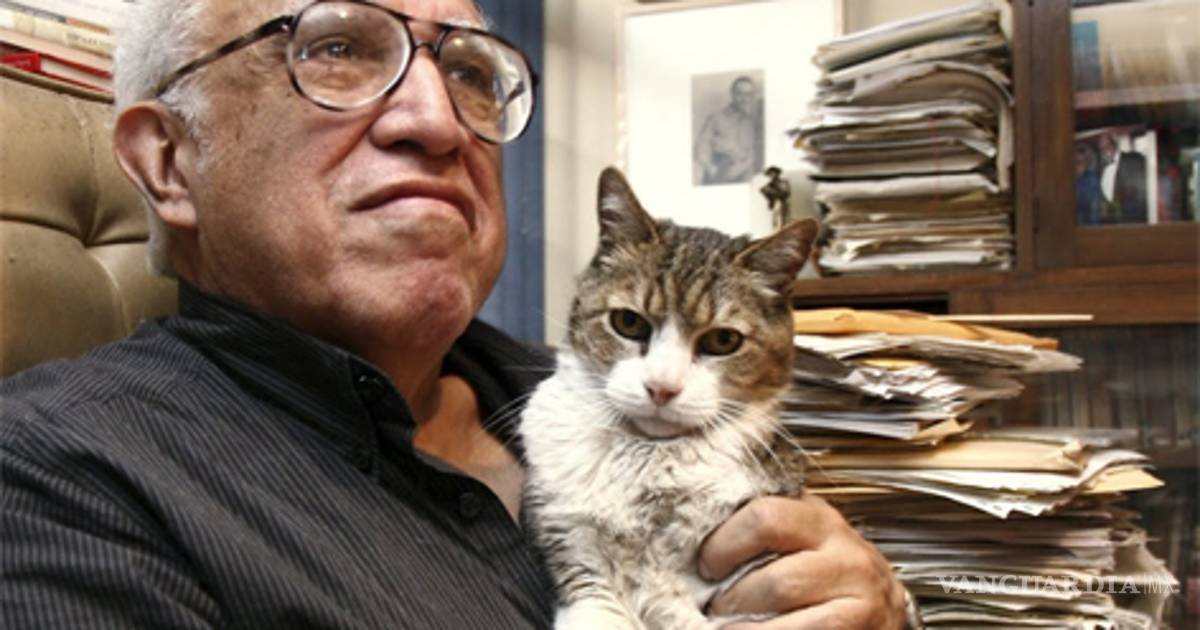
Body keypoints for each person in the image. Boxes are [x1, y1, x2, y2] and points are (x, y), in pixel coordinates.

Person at [0, 1, 915, 628]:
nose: (439, 120)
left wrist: (880, 605)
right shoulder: (56, 478)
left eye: (472, 70)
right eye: (337, 48)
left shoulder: (576, 387)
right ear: (167, 161)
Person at [694, 75, 765, 185]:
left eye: (748, 94)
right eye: (740, 93)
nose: (744, 99)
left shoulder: (753, 122)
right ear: (732, 94)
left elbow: (756, 154)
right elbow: (700, 148)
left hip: (746, 180)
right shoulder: (716, 117)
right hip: (718, 178)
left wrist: (743, 166)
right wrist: (711, 169)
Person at [1097, 131, 1148, 224]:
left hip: (1135, 220)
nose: (1104, 151)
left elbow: (1143, 191)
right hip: (1115, 221)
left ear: (1114, 144)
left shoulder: (1134, 159)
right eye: (1102, 148)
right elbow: (1108, 200)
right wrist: (1110, 220)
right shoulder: (1101, 169)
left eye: (1107, 146)